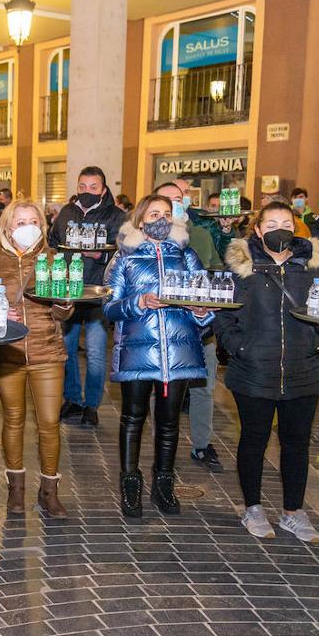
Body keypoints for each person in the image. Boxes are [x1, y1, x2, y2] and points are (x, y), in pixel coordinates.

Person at [215, 202, 319, 542]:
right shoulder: (242, 267)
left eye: (286, 222)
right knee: (254, 439)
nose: (280, 228)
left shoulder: (312, 266)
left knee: (296, 443)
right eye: (272, 223)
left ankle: (293, 512)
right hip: (253, 368)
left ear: (295, 228)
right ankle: (252, 507)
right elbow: (223, 314)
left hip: (302, 367)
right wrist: (239, 347)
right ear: (259, 230)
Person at [104, 194, 214, 518]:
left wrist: (201, 311)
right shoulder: (125, 260)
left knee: (169, 424)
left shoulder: (187, 256)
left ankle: (164, 485)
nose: (161, 219)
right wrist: (139, 303)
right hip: (138, 352)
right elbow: (109, 307)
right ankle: (130, 485)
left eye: (167, 213)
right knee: (133, 419)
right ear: (140, 220)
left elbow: (205, 307)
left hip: (178, 351)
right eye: (154, 214)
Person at [0, 200, 74, 517]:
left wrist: (64, 302)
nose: (27, 227)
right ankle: (16, 491)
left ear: (42, 225)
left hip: (47, 350)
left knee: (49, 424)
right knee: (13, 420)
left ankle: (49, 492)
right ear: (8, 227)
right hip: (8, 353)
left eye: (33, 221)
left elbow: (64, 312)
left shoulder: (52, 258)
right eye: (20, 222)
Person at [49, 166, 126, 427]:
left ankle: (91, 405)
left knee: (95, 354)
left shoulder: (116, 215)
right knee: (66, 351)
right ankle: (72, 399)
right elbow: (53, 242)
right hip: (68, 292)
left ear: (103, 189)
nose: (87, 191)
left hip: (97, 294)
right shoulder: (67, 213)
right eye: (83, 186)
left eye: (93, 187)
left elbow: (123, 252)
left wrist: (101, 255)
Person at [153, 182, 223, 472]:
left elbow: (220, 272)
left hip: (200, 325)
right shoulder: (142, 238)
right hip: (161, 327)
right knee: (162, 389)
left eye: (178, 200)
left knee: (203, 387)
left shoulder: (202, 235)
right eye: (167, 201)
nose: (173, 207)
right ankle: (161, 445)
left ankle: (201, 445)